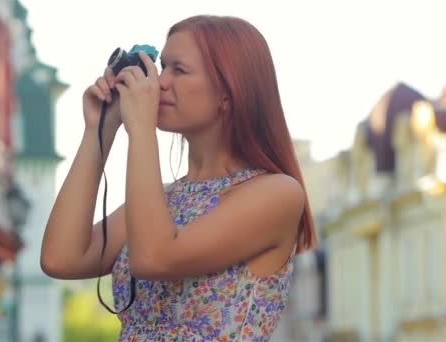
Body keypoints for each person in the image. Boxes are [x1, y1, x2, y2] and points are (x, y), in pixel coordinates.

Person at [40, 15, 316, 341]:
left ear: (228, 92)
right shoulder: (162, 200)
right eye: (162, 66)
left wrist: (140, 127)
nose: (159, 82)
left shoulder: (277, 193)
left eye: (179, 70)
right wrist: (99, 130)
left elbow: (154, 258)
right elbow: (61, 258)